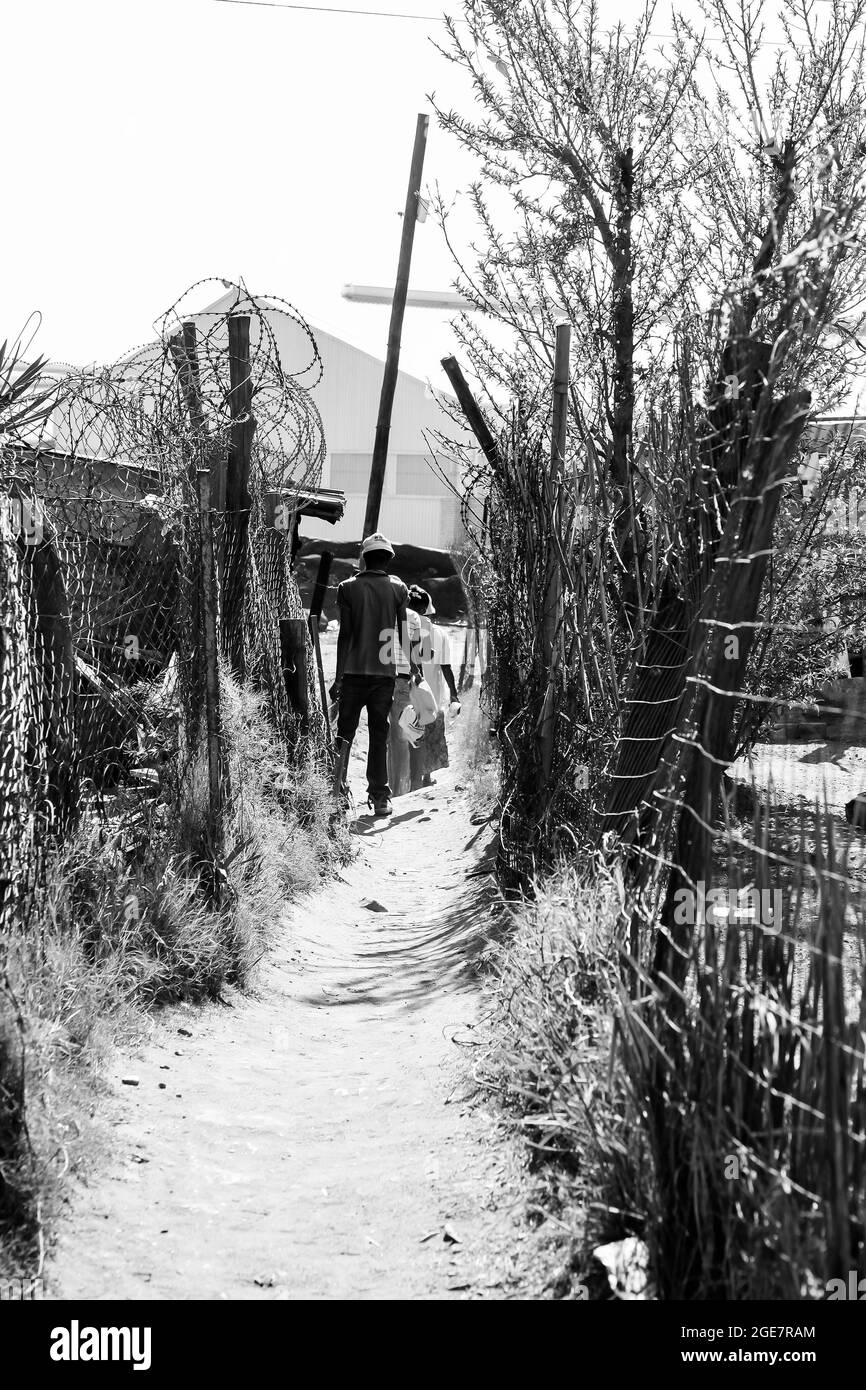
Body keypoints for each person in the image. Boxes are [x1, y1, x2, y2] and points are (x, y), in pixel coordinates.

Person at [329, 533, 420, 817]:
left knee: (344, 734)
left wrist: (338, 677)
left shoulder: (347, 588)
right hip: (384, 676)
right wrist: (413, 666)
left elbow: (345, 635)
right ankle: (380, 797)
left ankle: (336, 791)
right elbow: (404, 633)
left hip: (353, 675)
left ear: (364, 558)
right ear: (389, 558)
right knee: (379, 735)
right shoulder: (398, 588)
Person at [406, 585, 460, 790]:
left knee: (407, 732)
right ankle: (426, 777)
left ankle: (408, 780)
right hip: (432, 695)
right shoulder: (439, 633)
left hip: (406, 691)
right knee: (429, 732)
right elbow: (446, 668)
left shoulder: (397, 628)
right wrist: (454, 695)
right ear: (426, 609)